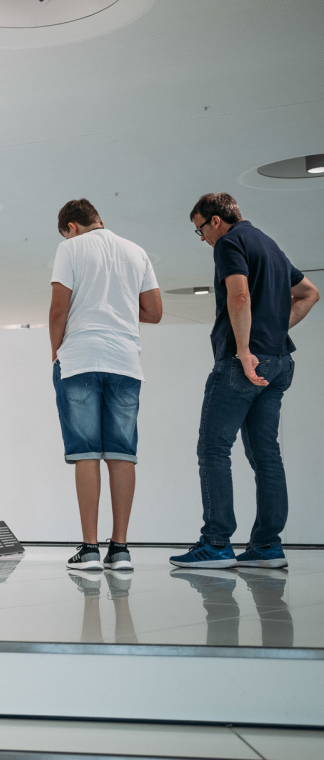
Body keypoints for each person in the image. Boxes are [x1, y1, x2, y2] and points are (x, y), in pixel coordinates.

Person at [170, 193, 318, 569]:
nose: (202, 238)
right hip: (280, 361)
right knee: (266, 454)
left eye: (200, 229)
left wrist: (245, 349)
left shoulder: (230, 243)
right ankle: (268, 546)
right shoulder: (268, 243)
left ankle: (217, 543)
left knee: (213, 449)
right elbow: (309, 293)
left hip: (242, 364)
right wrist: (271, 333)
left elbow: (238, 297)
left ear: (215, 221)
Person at [49, 199, 162, 571]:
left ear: (72, 227)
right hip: (126, 364)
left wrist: (55, 352)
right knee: (121, 454)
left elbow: (58, 309)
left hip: (81, 359)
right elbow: (154, 312)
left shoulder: (70, 248)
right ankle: (122, 549)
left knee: (85, 453)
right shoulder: (136, 251)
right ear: (100, 220)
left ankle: (90, 548)